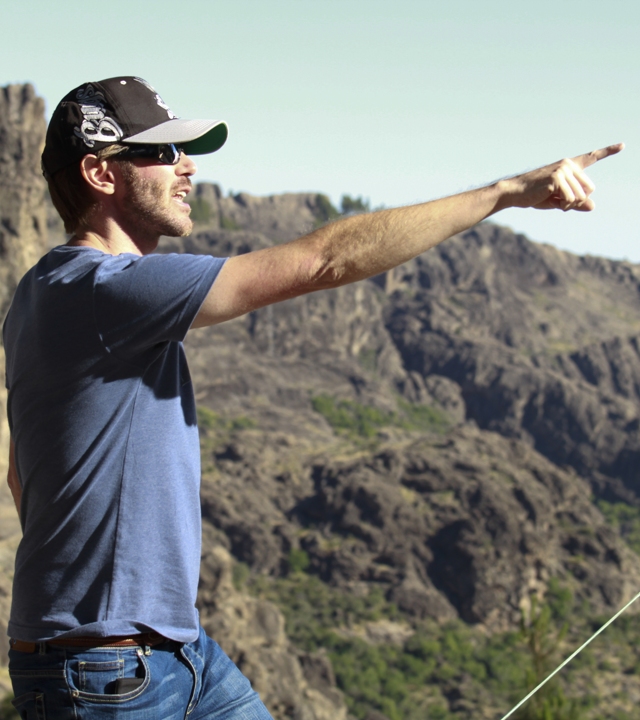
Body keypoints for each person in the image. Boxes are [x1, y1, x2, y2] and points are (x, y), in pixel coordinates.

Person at [3, 75, 622, 720]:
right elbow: (323, 260)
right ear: (101, 174)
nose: (187, 167)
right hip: (107, 670)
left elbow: (24, 472)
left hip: (166, 650)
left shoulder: (43, 291)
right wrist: (506, 192)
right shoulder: (107, 288)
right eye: (160, 154)